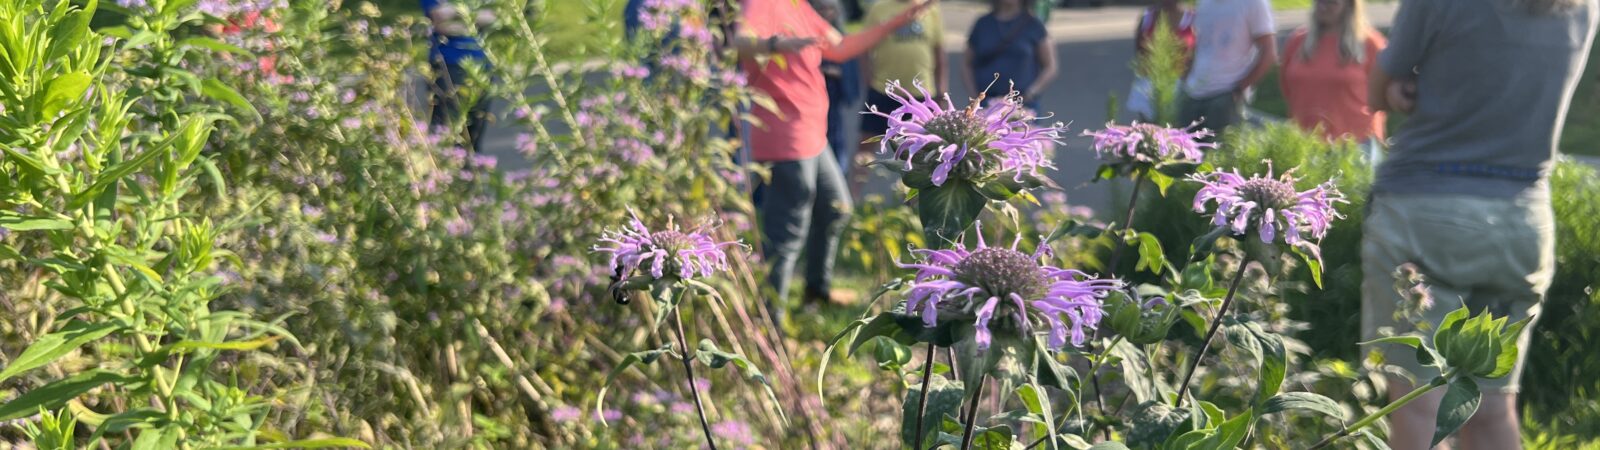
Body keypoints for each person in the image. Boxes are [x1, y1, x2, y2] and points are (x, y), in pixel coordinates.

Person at [1362, 0, 1596, 448]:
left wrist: (1399, 92)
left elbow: (1376, 91)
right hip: (1523, 223)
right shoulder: (1582, 8)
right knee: (1489, 409)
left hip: (1424, 212)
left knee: (1417, 405)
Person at [736, 0, 933, 322]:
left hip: (813, 134)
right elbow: (739, 43)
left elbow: (839, 47)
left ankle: (817, 291)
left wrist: (898, 20)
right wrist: (776, 44)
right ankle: (769, 323)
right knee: (787, 233)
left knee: (835, 208)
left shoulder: (796, 5)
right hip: (786, 137)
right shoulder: (760, 3)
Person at [857, 0, 944, 180]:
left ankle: (911, 202)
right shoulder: (879, 8)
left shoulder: (930, 8)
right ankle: (853, 198)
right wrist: (868, 79)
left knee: (924, 154)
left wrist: (942, 91)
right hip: (883, 89)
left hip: (922, 94)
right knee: (865, 148)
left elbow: (939, 53)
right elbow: (863, 46)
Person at [1279, 0, 1387, 142]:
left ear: (1349, 5)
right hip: (1304, 142)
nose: (1323, 7)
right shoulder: (1297, 41)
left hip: (1355, 144)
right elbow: (1287, 88)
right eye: (1319, 2)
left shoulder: (1370, 43)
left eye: (1331, 3)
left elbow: (1384, 94)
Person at [1178, 0, 1277, 135]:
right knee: (1184, 153)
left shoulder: (1254, 3)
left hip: (1226, 94)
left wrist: (1238, 90)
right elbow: (1200, 46)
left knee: (1221, 152)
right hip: (1193, 92)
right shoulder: (1204, 3)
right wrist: (1185, 79)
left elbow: (1268, 52)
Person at [421, 0, 493, 153]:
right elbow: (441, 22)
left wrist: (453, 12)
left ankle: (471, 174)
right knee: (446, 136)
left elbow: (492, 16)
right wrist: (472, 15)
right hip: (448, 67)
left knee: (474, 137)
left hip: (483, 66)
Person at [964, 0, 1057, 111]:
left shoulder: (1034, 25)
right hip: (987, 102)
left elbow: (1050, 66)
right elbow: (966, 64)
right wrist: (974, 95)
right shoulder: (983, 24)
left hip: (1022, 103)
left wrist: (1031, 92)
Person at [812, 0, 864, 176]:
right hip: (811, 102)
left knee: (835, 141)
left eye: (830, 9)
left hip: (832, 101)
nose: (826, 13)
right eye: (821, 9)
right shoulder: (808, 36)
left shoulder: (840, 37)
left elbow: (849, 70)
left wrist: (834, 72)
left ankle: (836, 176)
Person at [1125, 0, 1197, 121]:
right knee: (1150, 132)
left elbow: (1198, 53)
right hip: (1150, 88)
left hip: (1183, 87)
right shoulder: (1147, 17)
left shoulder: (1193, 18)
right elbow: (1140, 54)